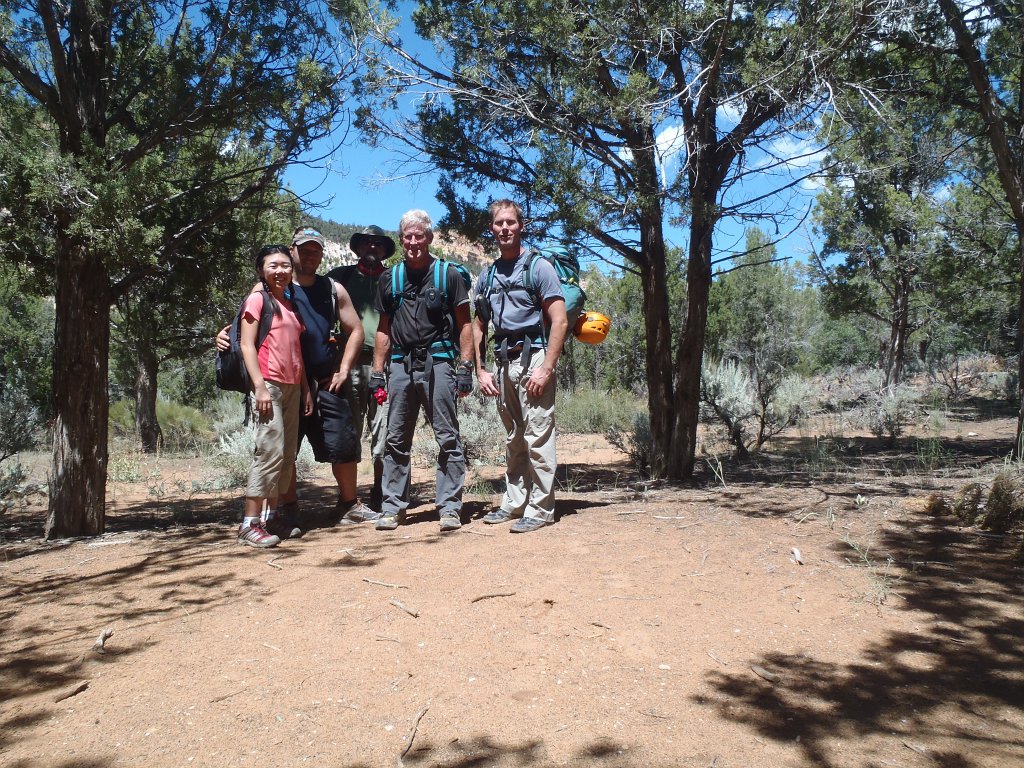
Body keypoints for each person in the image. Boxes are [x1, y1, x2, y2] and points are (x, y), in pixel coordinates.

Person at [218, 226, 373, 535]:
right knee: (281, 449)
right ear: (292, 251)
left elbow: (355, 329)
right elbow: (247, 323)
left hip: (326, 381)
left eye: (316, 249)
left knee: (343, 443)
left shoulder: (332, 289)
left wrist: (344, 368)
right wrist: (224, 334)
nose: (311, 254)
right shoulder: (275, 288)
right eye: (304, 249)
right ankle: (285, 511)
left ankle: (347, 504)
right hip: (280, 382)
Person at [371, 210, 474, 533]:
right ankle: (393, 508)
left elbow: (465, 324)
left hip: (439, 364)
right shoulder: (390, 279)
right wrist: (378, 372)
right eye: (408, 237)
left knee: (448, 437)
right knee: (396, 438)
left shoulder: (449, 275)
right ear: (401, 240)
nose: (414, 242)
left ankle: (449, 508)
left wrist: (465, 367)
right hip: (401, 365)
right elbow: (383, 329)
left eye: (419, 236)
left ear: (429, 238)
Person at [473, 200, 568, 533]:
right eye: (499, 223)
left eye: (510, 222)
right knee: (514, 437)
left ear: (521, 225)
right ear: (492, 228)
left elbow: (559, 320)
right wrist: (480, 369)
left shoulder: (538, 267)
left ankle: (541, 508)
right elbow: (479, 325)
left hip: (534, 359)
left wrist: (547, 368)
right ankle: (514, 503)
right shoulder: (487, 275)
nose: (505, 228)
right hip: (502, 362)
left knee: (538, 435)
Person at [237, 245, 313, 548]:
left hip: (293, 387)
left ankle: (271, 517)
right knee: (268, 451)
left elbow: (298, 352)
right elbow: (246, 346)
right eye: (272, 266)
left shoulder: (291, 305)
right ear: (261, 271)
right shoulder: (257, 300)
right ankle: (249, 523)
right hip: (270, 384)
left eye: (284, 265)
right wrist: (259, 386)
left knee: (285, 456)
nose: (280, 270)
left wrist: (306, 389)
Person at [325, 225, 396, 515]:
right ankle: (350, 497)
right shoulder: (339, 278)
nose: (372, 248)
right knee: (349, 430)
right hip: (348, 364)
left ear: (384, 250)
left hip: (387, 366)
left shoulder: (392, 278)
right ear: (357, 247)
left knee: (385, 429)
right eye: (367, 243)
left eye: (378, 244)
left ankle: (382, 492)